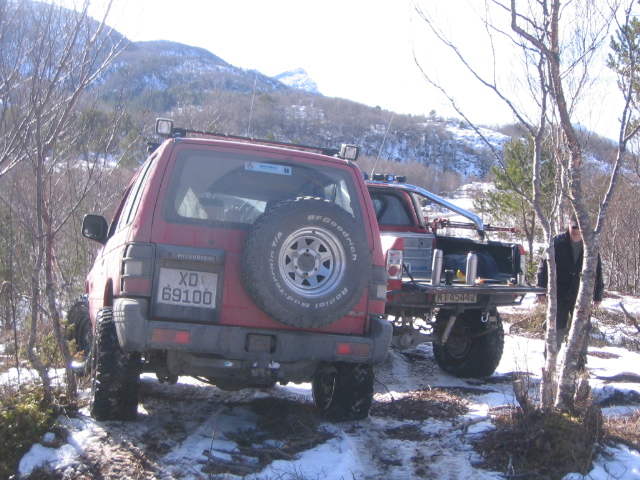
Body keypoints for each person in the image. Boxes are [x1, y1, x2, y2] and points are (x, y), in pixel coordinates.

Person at [536, 215, 604, 353]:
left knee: (581, 331)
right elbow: (543, 267)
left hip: (581, 295)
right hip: (558, 294)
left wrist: (598, 295)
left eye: (579, 228)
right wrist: (541, 290)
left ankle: (579, 362)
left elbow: (597, 271)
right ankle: (550, 360)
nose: (576, 231)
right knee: (555, 328)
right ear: (569, 225)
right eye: (574, 227)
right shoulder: (556, 242)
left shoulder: (590, 246)